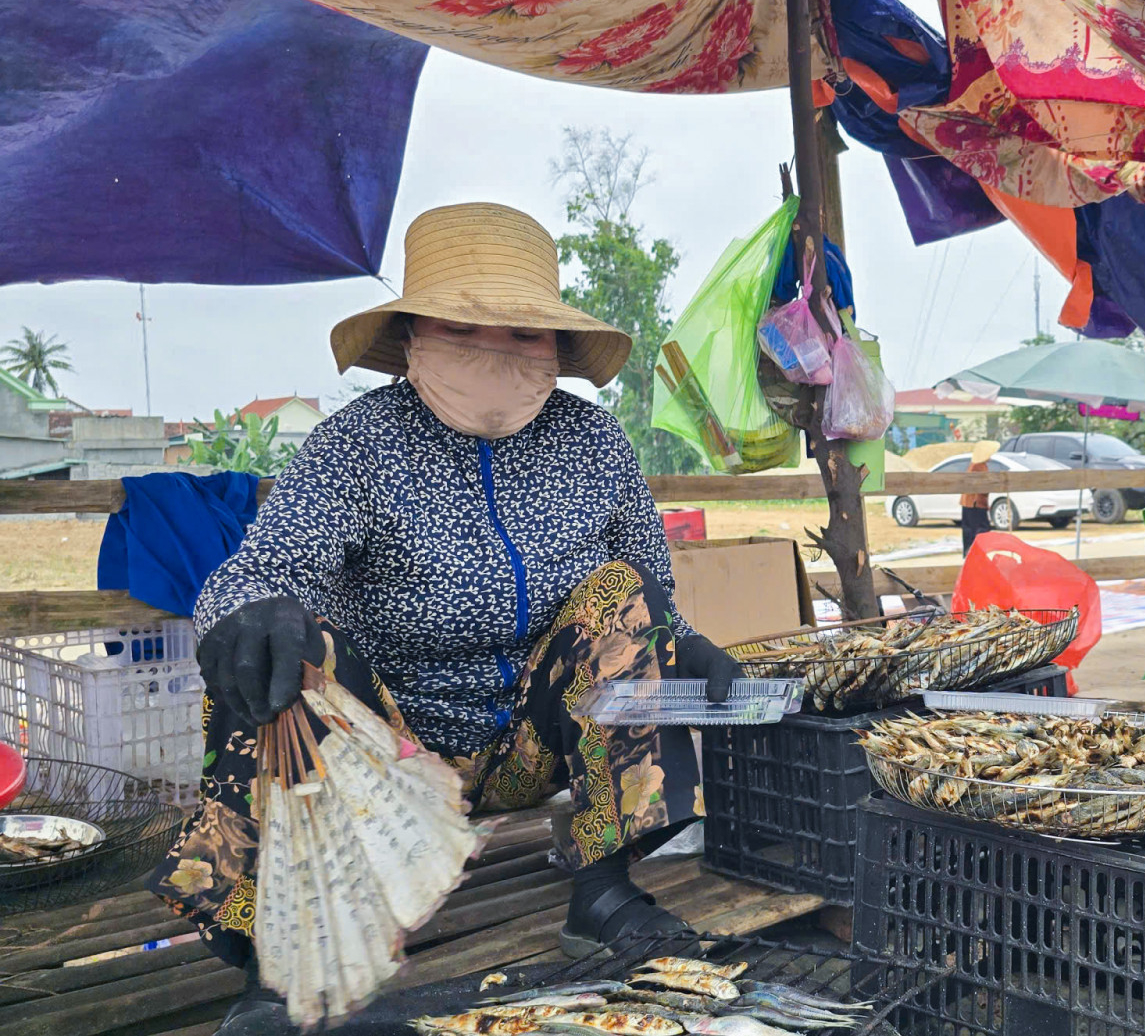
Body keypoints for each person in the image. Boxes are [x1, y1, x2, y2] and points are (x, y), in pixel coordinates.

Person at [147, 203, 745, 988]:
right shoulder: (357, 444)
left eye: (523, 333)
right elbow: (263, 569)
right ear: (415, 338)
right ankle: (279, 951)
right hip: (391, 762)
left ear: (556, 347)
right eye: (464, 329)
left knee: (621, 593)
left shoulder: (595, 444)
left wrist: (687, 646)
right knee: (282, 645)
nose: (494, 351)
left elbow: (647, 589)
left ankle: (603, 890)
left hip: (537, 747)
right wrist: (246, 617)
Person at [959, 440, 998, 554]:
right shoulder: (978, 466)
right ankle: (975, 554)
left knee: (971, 530)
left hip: (972, 502)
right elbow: (980, 486)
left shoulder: (979, 465)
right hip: (974, 503)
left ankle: (972, 553)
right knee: (979, 529)